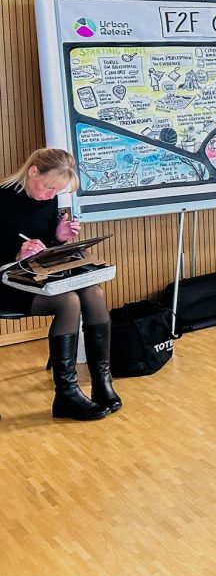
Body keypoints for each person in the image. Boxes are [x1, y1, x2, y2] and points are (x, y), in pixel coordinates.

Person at [0, 149, 120, 421]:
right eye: (48, 187)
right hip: (6, 282)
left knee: (94, 292)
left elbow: (45, 249)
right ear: (33, 171)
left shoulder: (49, 199)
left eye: (57, 191)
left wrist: (59, 238)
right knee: (69, 301)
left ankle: (102, 380)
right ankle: (66, 394)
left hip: (38, 276)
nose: (51, 195)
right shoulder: (2, 198)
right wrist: (15, 254)